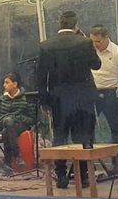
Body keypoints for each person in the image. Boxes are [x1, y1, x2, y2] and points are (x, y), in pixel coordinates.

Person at [35, 11, 100, 189]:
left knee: (60, 136)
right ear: (75, 25)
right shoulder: (85, 42)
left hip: (59, 99)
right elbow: (96, 65)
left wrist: (44, 100)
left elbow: (41, 76)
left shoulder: (46, 46)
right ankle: (83, 176)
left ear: (60, 24)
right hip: (83, 97)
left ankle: (61, 175)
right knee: (84, 136)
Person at [88, 25, 118, 143]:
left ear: (106, 38)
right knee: (88, 125)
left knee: (116, 127)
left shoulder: (117, 51)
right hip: (93, 92)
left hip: (111, 92)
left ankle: (117, 156)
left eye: (98, 41)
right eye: (92, 41)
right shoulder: (90, 52)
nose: (95, 45)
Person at [0, 73, 34, 171]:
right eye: (4, 83)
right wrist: (8, 118)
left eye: (7, 82)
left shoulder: (25, 98)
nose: (4, 85)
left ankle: (7, 163)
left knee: (6, 132)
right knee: (8, 122)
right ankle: (17, 155)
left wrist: (17, 118)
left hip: (20, 125)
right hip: (5, 123)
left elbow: (31, 118)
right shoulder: (2, 99)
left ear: (15, 84)